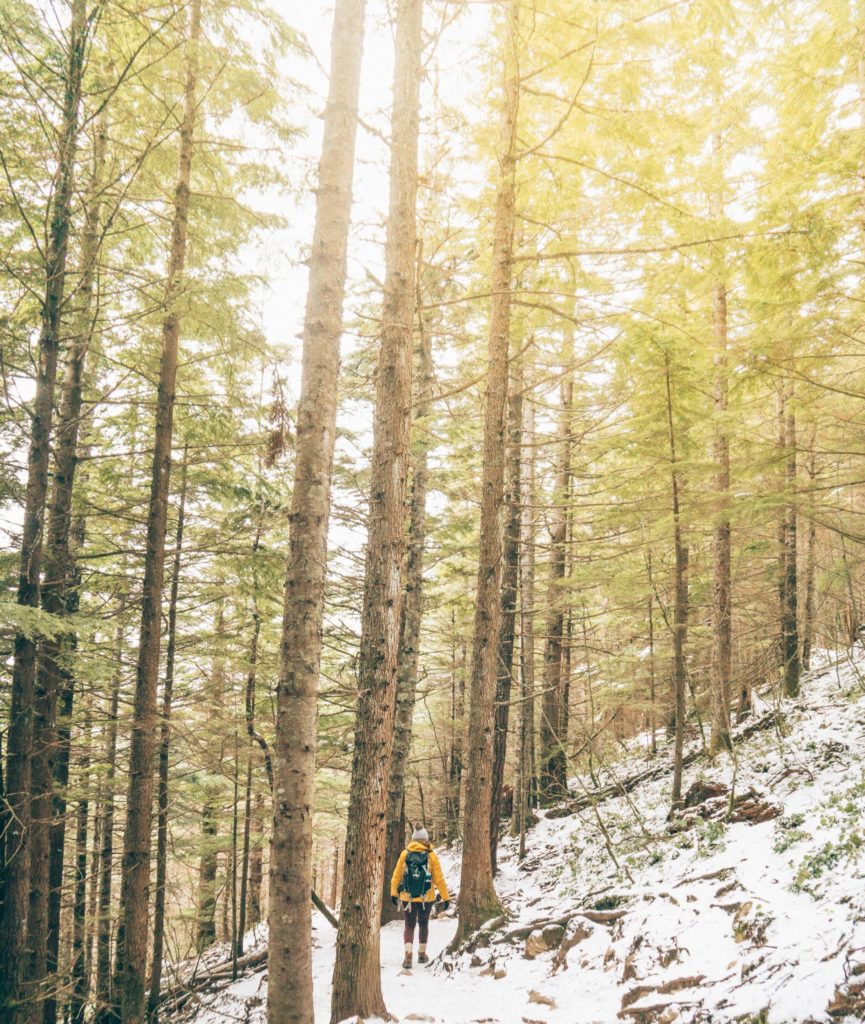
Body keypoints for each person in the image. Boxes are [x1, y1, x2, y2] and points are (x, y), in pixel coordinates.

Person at [390, 823, 450, 968]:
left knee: (409, 925)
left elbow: (396, 876)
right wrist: (445, 897)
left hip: (407, 897)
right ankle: (422, 955)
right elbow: (439, 879)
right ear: (425, 839)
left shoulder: (405, 854)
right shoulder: (431, 856)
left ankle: (408, 956)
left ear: (413, 839)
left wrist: (393, 893)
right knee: (423, 924)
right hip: (426, 898)